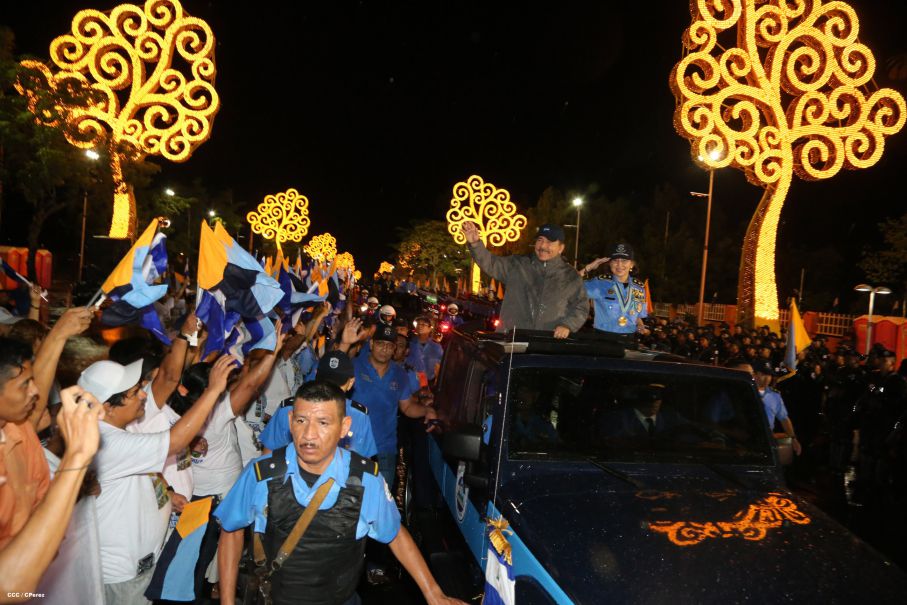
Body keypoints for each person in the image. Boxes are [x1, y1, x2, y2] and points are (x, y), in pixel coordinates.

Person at [215, 381, 465, 605]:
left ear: (344, 427)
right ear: (290, 421)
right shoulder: (261, 475)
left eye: (323, 423)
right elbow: (231, 530)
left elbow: (395, 534)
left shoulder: (365, 481)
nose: (309, 434)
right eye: (301, 420)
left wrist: (434, 594)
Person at [77, 354, 236, 603]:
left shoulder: (116, 433)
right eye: (134, 392)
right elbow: (176, 441)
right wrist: (213, 390)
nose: (143, 395)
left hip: (141, 568)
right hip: (122, 576)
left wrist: (168, 494)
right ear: (106, 407)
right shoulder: (106, 441)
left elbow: (143, 474)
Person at [0, 337, 103, 599]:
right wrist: (76, 455)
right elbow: (10, 587)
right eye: (25, 384)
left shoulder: (19, 428)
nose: (36, 392)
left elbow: (42, 509)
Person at [462, 221, 589, 338]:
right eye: (540, 240)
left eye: (550, 242)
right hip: (512, 342)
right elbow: (491, 263)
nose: (543, 246)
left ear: (561, 248)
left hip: (547, 344)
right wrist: (475, 244)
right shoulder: (517, 265)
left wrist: (567, 325)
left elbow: (581, 307)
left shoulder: (571, 277)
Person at [353, 324, 437, 486]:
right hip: (353, 446)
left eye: (389, 346)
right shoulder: (354, 366)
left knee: (381, 504)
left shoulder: (400, 375)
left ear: (394, 350)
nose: (384, 349)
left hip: (385, 449)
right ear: (371, 344)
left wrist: (427, 410)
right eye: (380, 344)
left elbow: (406, 407)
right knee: (349, 501)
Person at [259, 350, 377, 458]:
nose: (330, 390)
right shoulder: (289, 409)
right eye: (325, 383)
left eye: (337, 385)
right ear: (315, 375)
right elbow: (267, 458)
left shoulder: (360, 416)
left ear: (351, 383)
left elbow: (364, 466)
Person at [581, 243, 648, 334]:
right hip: (603, 339)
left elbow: (637, 316)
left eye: (624, 260)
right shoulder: (600, 283)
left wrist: (640, 326)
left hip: (628, 340)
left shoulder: (639, 288)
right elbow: (569, 287)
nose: (619, 264)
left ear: (631, 264)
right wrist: (588, 267)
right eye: (615, 260)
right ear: (610, 264)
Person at [750, 361, 802, 456]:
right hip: (746, 440)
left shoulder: (775, 396)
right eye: (763, 374)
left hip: (767, 442)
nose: (767, 379)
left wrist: (793, 439)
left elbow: (784, 419)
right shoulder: (746, 392)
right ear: (754, 374)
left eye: (769, 375)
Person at [406, 315, 444, 386]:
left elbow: (440, 367)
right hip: (409, 382)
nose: (420, 326)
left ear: (430, 328)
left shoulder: (436, 347)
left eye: (423, 324)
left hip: (428, 385)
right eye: (418, 324)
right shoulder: (409, 344)